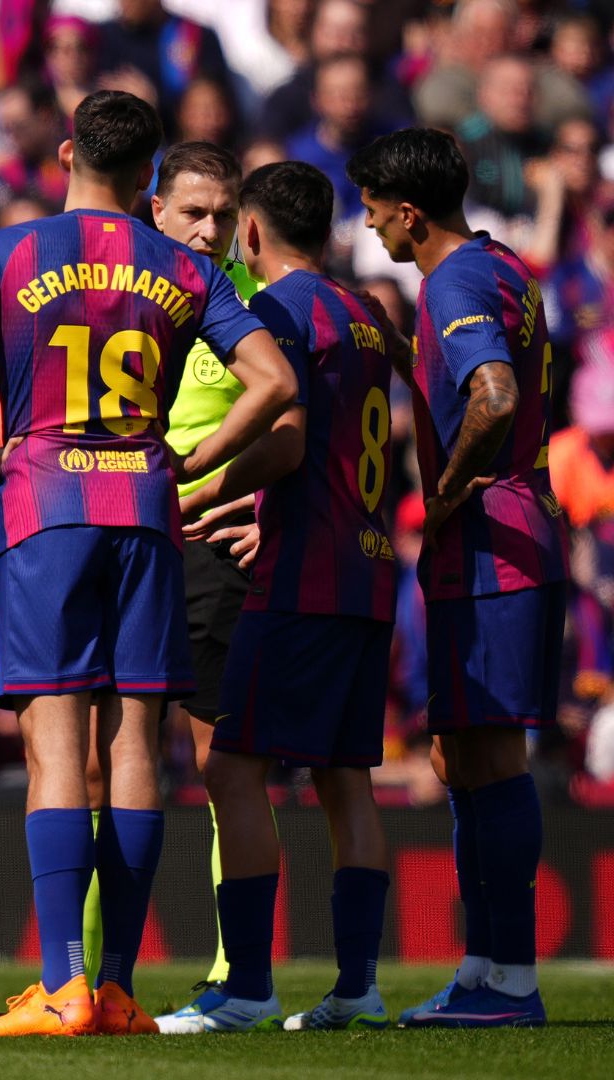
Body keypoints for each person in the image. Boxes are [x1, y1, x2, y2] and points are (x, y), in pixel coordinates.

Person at [0, 90, 294, 1037]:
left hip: (45, 504)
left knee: (56, 744)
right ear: (151, 179)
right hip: (147, 507)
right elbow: (273, 380)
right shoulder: (187, 267)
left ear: (67, 150)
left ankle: (61, 986)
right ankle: (116, 987)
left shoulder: (7, 251)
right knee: (135, 744)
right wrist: (194, 458)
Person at [162, 160, 399, 1033]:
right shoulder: (366, 316)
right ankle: (359, 989)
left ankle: (250, 989)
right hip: (370, 564)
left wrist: (197, 493)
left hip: (303, 574)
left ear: (251, 232)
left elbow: (291, 441)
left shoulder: (276, 311)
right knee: (346, 780)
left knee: (230, 765)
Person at [348, 127, 568, 1028]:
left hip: (492, 540)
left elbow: (496, 397)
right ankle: (482, 969)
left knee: (493, 756)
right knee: (464, 756)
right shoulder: (504, 266)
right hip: (500, 540)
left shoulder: (458, 281)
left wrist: (440, 493)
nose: (371, 231)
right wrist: (404, 350)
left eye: (373, 215)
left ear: (409, 213)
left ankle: (513, 978)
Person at [143, 141, 260, 1023]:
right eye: (194, 212)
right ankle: (90, 972)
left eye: (223, 214)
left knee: (218, 759)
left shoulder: (254, 306)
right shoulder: (116, 293)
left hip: (211, 542)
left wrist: (267, 506)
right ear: (156, 211)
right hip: (124, 532)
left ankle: (231, 967)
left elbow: (300, 420)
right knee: (106, 752)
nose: (211, 229)